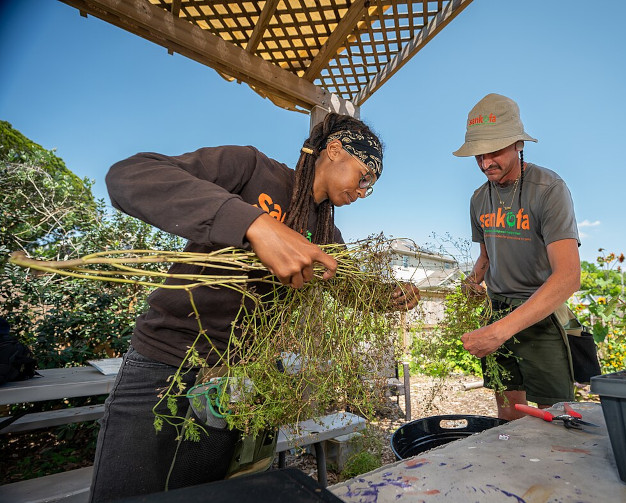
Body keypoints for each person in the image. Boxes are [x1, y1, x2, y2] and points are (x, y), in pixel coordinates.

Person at [89, 113, 419, 501]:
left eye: (371, 187)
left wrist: (387, 296)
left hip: (231, 384)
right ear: (334, 151)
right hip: (164, 365)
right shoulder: (252, 169)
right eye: (364, 177)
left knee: (202, 494)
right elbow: (130, 176)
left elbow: (349, 289)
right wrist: (256, 225)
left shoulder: (328, 233)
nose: (363, 191)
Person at [454, 94, 581, 421]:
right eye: (478, 155)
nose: (485, 163)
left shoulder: (549, 189)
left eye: (494, 152)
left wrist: (500, 332)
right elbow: (486, 256)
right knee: (509, 416)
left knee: (556, 418)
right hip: (497, 309)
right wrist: (472, 282)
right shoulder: (479, 199)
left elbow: (568, 277)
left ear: (518, 144)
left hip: (540, 312)